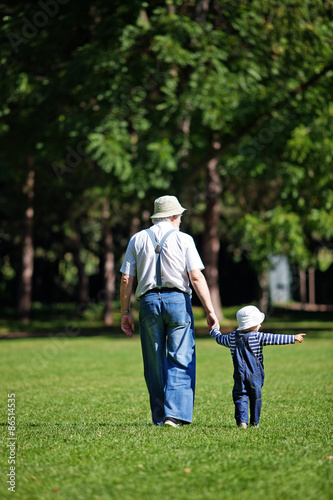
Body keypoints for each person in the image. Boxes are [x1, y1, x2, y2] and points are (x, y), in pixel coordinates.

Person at [120, 195, 219, 427]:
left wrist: (125, 311)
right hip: (178, 301)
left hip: (148, 303)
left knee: (153, 362)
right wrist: (210, 310)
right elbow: (195, 276)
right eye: (180, 216)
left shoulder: (137, 238)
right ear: (174, 216)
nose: (182, 220)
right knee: (181, 357)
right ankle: (175, 415)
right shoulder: (184, 239)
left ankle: (159, 416)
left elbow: (126, 278)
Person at [209, 305, 306, 428]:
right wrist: (293, 337)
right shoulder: (258, 336)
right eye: (259, 323)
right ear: (253, 325)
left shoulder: (232, 337)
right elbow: (275, 338)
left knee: (240, 397)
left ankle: (242, 422)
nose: (260, 326)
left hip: (239, 375)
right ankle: (254, 423)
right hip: (255, 374)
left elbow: (219, 338)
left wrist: (213, 330)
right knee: (256, 398)